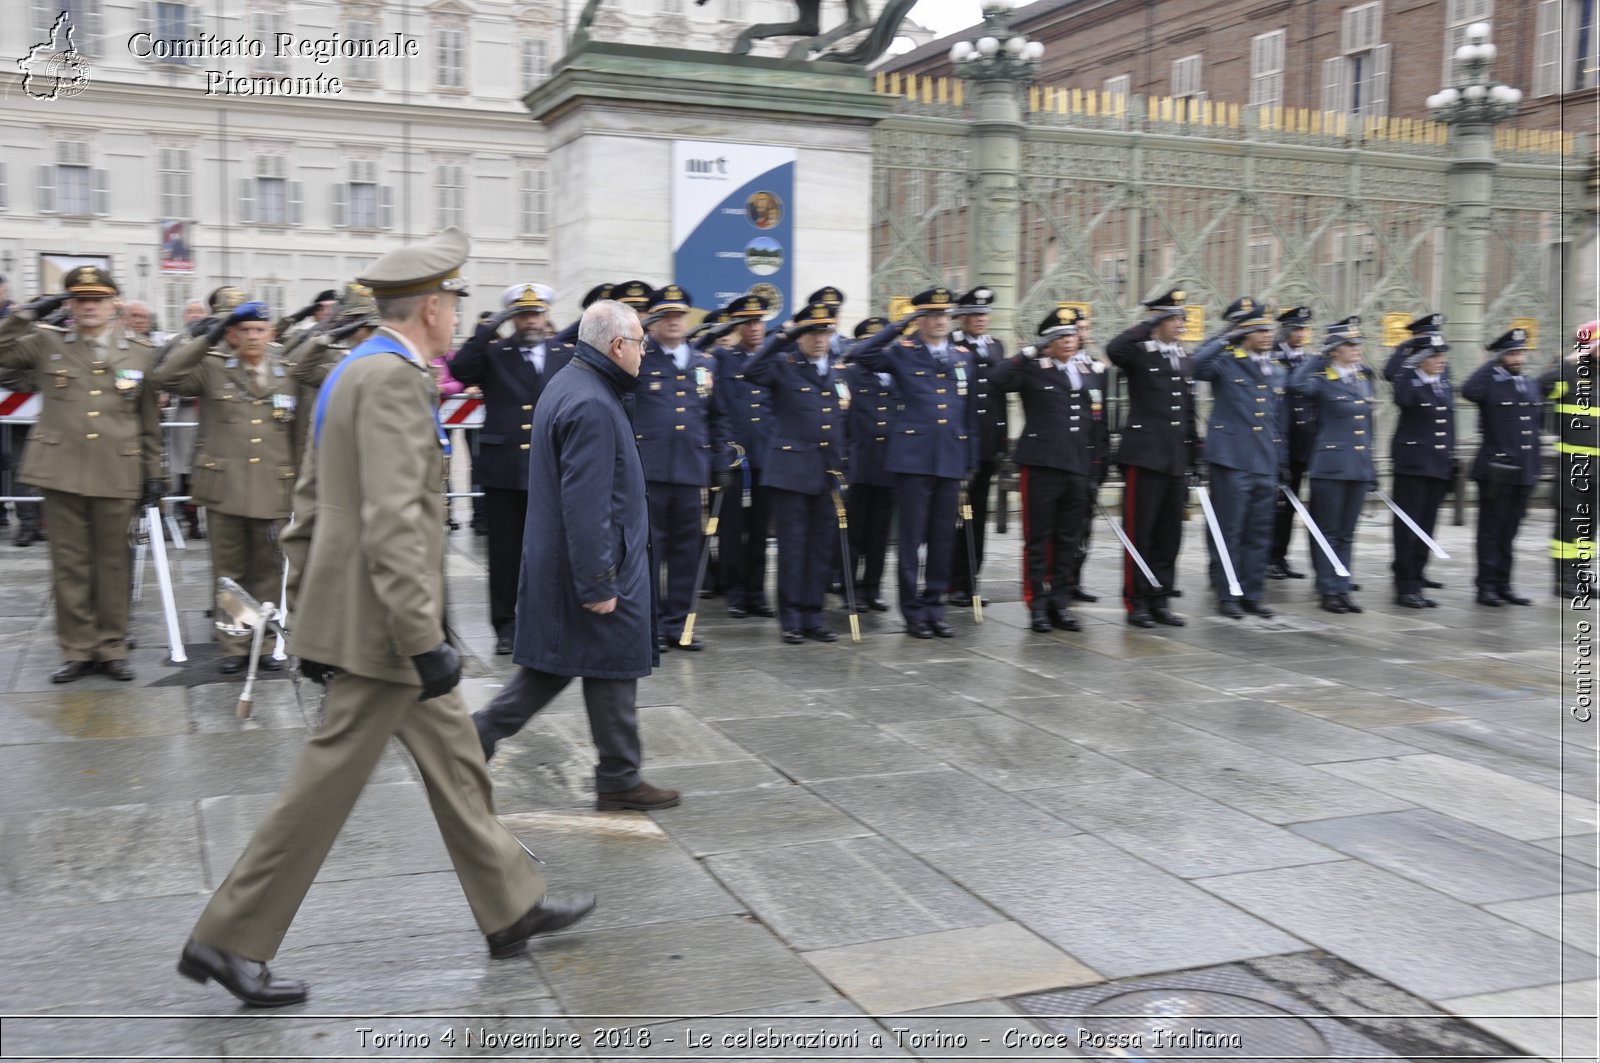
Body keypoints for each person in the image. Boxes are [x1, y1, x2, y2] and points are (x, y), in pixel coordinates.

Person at [178, 226, 594, 1009]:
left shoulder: (353, 369)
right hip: (385, 628)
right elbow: (397, 518)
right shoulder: (397, 379)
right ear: (433, 308)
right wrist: (420, 634)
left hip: (364, 612)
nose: (454, 315)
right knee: (323, 785)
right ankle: (227, 938)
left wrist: (310, 605)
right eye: (453, 303)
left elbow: (307, 501)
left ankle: (510, 906)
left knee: (457, 765)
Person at [473, 300, 679, 811]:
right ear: (616, 346)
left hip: (578, 564)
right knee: (565, 669)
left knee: (594, 668)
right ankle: (470, 744)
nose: (643, 352)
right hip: (591, 567)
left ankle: (619, 776)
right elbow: (586, 506)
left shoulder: (575, 384)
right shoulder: (590, 402)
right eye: (639, 343)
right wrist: (598, 581)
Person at [0, 266, 162, 682]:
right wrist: (28, 312)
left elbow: (148, 420)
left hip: (118, 469)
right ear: (68, 305)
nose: (89, 306)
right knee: (69, 564)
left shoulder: (140, 350)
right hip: (62, 470)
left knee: (114, 564)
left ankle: (111, 646)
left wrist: (153, 473)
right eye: (80, 299)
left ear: (114, 305)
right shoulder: (45, 341)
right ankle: (76, 649)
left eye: (98, 299)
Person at [154, 300, 301, 674]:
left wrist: (301, 481)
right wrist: (206, 340)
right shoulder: (212, 367)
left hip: (273, 484)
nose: (253, 336)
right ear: (232, 335)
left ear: (271, 334)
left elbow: (298, 434)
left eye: (259, 330)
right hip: (225, 486)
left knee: (268, 567)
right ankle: (235, 643)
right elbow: (164, 378)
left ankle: (265, 640)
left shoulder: (287, 371)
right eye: (244, 330)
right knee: (230, 571)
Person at [449, 283, 575, 655]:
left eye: (536, 313)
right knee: (505, 553)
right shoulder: (494, 353)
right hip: (505, 469)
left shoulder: (564, 354)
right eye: (522, 314)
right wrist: (490, 327)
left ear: (547, 316)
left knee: (550, 551)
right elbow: (459, 368)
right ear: (513, 318)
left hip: (550, 467)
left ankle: (548, 619)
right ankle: (506, 622)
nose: (531, 320)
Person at [853, 287, 978, 639]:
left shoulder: (962, 357)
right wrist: (898, 326)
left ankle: (934, 606)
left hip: (950, 458)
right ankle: (912, 611)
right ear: (920, 319)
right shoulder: (902, 352)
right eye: (932, 315)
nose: (940, 321)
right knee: (911, 540)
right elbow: (862, 355)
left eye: (944, 315)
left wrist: (968, 461)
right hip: (913, 459)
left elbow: (967, 416)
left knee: (942, 539)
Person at [990, 305, 1109, 633]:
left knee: (1069, 539)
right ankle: (1037, 606)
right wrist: (1028, 351)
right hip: (1041, 466)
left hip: (1077, 467)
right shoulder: (1033, 368)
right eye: (1061, 336)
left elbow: (1097, 426)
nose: (1069, 341)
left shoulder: (1090, 371)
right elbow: (998, 378)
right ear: (1048, 341)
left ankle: (1060, 602)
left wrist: (1095, 470)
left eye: (1072, 334)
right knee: (1038, 539)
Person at [741, 299, 848, 643]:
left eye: (826, 331)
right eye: (812, 332)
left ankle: (813, 615)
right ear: (801, 335)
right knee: (793, 548)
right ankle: (790, 619)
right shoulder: (784, 364)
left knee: (820, 548)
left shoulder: (837, 368)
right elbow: (751, 370)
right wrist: (784, 336)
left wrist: (844, 467)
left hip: (827, 472)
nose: (820, 339)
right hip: (790, 472)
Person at [1106, 289, 1199, 628]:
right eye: (1172, 318)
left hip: (1175, 457)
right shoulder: (1140, 353)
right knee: (1140, 532)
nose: (1179, 324)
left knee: (1169, 534)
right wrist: (1147, 325)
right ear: (1156, 320)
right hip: (1144, 457)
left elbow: (1188, 410)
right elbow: (1114, 349)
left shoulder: (1183, 357)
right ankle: (1137, 601)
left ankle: (1161, 597)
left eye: (1180, 319)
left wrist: (1194, 454)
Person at [636, 284, 722, 651]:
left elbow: (717, 416)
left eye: (679, 314)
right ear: (653, 321)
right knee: (651, 551)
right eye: (666, 315)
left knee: (688, 551)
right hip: (651, 470)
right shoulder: (640, 358)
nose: (674, 321)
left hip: (691, 471)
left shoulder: (705, 362)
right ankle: (651, 625)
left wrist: (720, 462)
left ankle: (680, 625)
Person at [1192, 297, 1283, 619]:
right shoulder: (1226, 361)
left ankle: (1253, 594)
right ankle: (1229, 593)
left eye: (1269, 329)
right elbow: (1196, 365)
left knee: (1260, 532)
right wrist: (1223, 336)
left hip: (1264, 461)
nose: (1267, 335)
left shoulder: (1275, 368)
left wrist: (1279, 462)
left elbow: (1276, 419)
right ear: (1243, 333)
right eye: (1259, 330)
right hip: (1231, 460)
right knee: (1230, 530)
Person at [1289, 317, 1376, 614]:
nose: (1356, 349)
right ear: (1335, 350)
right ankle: (1327, 588)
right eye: (1349, 345)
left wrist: (1371, 466)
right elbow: (1296, 384)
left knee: (1347, 533)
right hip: (1330, 466)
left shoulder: (1362, 379)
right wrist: (1317, 357)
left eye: (1357, 344)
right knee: (1327, 530)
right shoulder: (1322, 379)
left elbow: (1368, 425)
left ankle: (1343, 586)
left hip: (1358, 466)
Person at [1462, 327, 1542, 606]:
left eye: (1521, 353)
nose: (1519, 358)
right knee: (1490, 531)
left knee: (1510, 531)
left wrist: (1534, 469)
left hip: (1523, 471)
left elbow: (1533, 429)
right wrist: (1491, 362)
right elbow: (1468, 390)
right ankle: (1485, 586)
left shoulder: (1529, 385)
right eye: (1513, 354)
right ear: (1502, 357)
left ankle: (1504, 583)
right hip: (1497, 470)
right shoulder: (1489, 384)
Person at [709, 294, 776, 619]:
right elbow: (719, 408)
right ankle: (735, 591)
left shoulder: (773, 358)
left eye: (759, 321)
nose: (755, 328)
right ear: (737, 325)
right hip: (735, 460)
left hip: (766, 457)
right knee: (733, 531)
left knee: (761, 530)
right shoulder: (723, 359)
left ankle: (757, 591)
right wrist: (721, 454)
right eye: (747, 322)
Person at [1384, 328, 1455, 608]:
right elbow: (1400, 395)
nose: (1440, 360)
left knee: (1427, 525)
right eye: (1434, 355)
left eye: (1442, 355)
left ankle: (1417, 575)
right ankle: (1405, 585)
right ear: (1422, 359)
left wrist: (1452, 459)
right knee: (1408, 528)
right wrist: (1408, 354)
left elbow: (1447, 426)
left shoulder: (1443, 384)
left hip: (1437, 465)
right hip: (1412, 466)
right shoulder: (1410, 384)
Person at [950, 286, 1009, 608]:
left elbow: (999, 400)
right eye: (974, 313)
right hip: (958, 446)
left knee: (978, 516)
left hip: (986, 446)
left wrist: (1001, 441)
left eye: (984, 313)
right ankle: (949, 580)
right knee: (954, 517)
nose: (980, 319)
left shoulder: (997, 347)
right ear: (961, 317)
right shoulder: (951, 346)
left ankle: (970, 580)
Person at [840, 317, 895, 613]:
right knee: (854, 533)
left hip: (890, 466)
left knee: (880, 534)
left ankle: (872, 587)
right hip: (859, 465)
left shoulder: (896, 375)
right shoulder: (848, 376)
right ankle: (849, 588)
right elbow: (842, 422)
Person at [1542, 321, 1599, 599]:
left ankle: (1582, 577)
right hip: (1572, 468)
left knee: (1589, 525)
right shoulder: (1569, 375)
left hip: (1596, 470)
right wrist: (1568, 361)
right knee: (1568, 525)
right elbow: (1538, 387)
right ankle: (1564, 580)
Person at [1268, 306, 1316, 580]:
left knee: (1291, 504)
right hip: (1280, 441)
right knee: (1277, 506)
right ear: (1284, 331)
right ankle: (1269, 557)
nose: (1300, 334)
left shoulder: (1306, 359)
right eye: (1295, 329)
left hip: (1301, 444)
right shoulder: (1275, 359)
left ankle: (1281, 556)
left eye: (1303, 329)